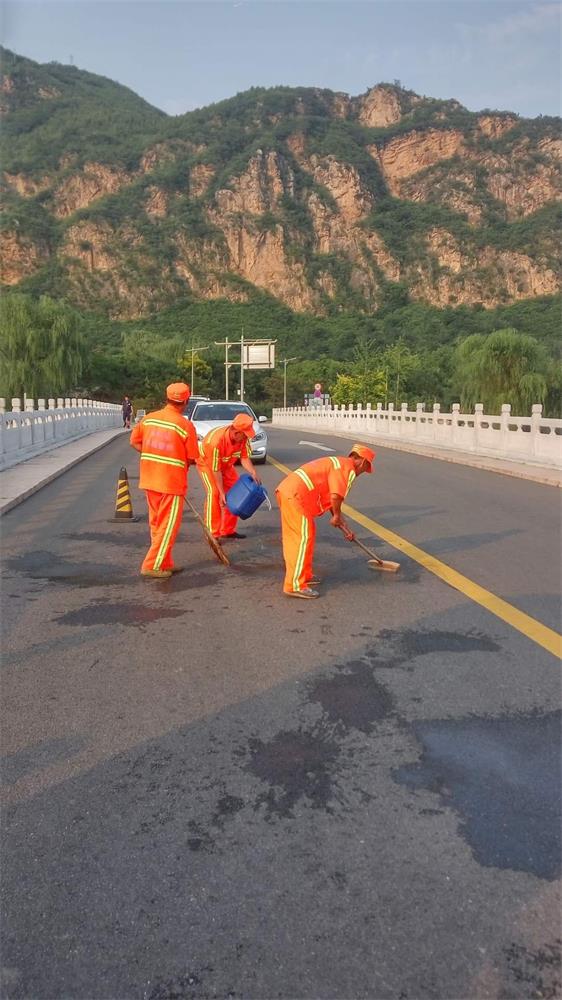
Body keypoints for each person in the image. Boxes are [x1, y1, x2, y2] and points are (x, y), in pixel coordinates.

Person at [275, 444, 375, 599]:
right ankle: (295, 585)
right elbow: (336, 496)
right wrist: (336, 516)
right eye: (366, 468)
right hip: (296, 496)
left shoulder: (339, 463)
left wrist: (342, 523)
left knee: (305, 537)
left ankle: (304, 575)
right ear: (363, 462)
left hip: (290, 493)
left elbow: (331, 500)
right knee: (301, 539)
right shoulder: (347, 469)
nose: (362, 472)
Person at [130, 383, 198, 579]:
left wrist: (154, 454)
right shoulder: (185, 426)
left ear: (167, 398)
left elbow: (134, 441)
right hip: (171, 482)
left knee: (158, 524)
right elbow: (192, 456)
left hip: (150, 478)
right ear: (186, 401)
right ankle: (152, 565)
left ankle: (164, 561)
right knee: (168, 525)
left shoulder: (149, 419)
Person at [197, 412, 260, 541]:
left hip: (226, 465)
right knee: (215, 494)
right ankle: (212, 534)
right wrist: (222, 493)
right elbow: (216, 470)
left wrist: (253, 472)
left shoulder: (243, 439)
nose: (246, 438)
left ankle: (227, 530)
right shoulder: (214, 442)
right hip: (208, 465)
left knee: (235, 493)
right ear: (236, 433)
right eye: (245, 435)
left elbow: (244, 457)